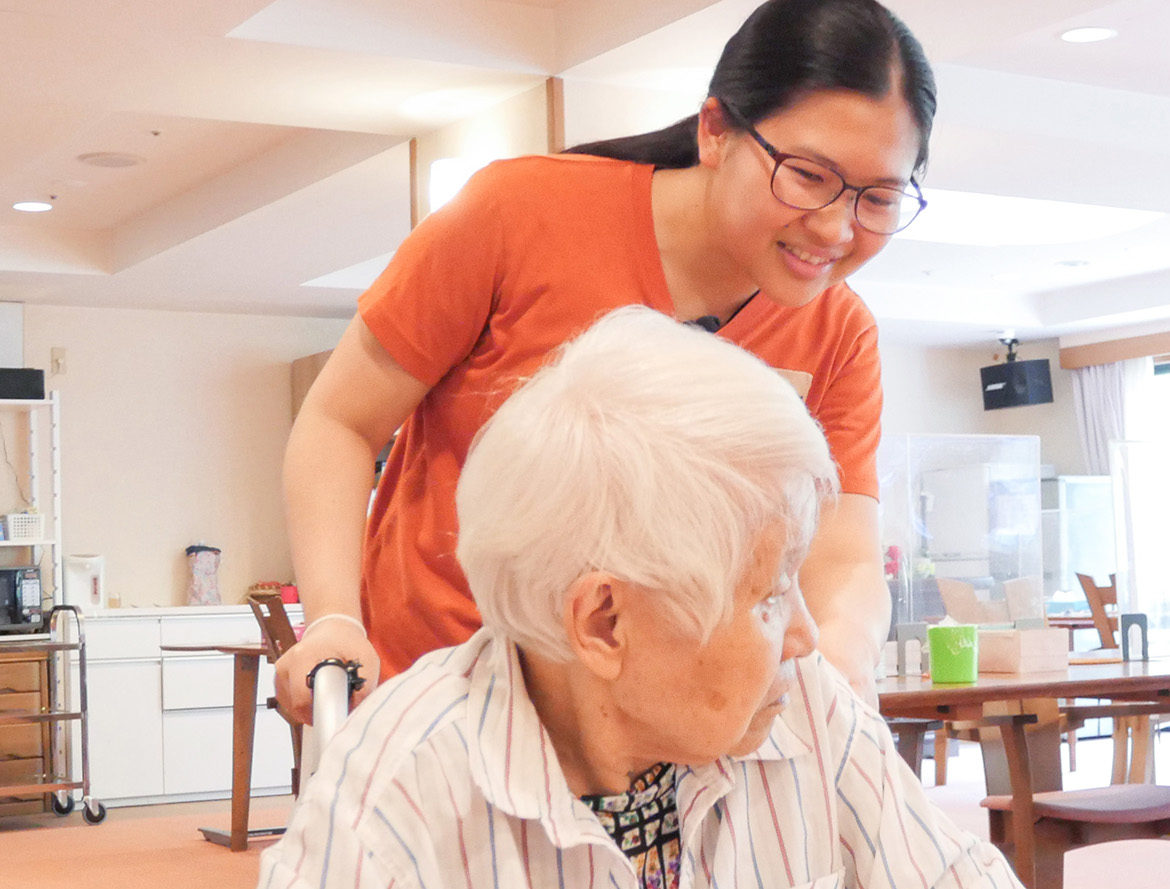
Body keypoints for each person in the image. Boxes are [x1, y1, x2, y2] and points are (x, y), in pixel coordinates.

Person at [275, 0, 938, 722]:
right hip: (441, 699)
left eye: (877, 198)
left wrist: (841, 670)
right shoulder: (519, 215)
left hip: (663, 729)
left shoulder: (839, 334)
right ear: (716, 131)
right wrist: (335, 618)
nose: (837, 227)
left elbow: (839, 560)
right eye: (808, 175)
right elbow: (339, 422)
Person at [258, 309, 1020, 889]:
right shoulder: (395, 799)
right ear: (604, 623)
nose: (807, 638)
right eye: (768, 597)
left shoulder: (807, 708)